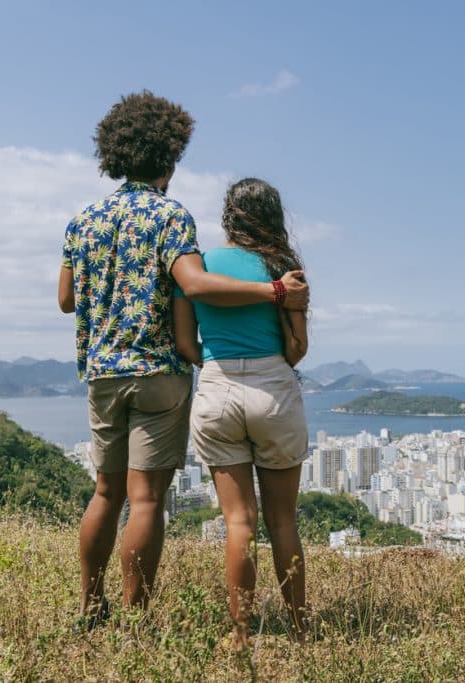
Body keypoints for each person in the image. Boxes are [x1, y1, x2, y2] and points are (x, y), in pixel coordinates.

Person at [58, 92, 308, 629]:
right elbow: (192, 284)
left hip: (103, 368)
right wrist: (272, 292)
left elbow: (66, 298)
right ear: (169, 159)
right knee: (145, 499)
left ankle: (88, 604)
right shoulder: (171, 216)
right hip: (159, 371)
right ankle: (134, 616)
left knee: (106, 490)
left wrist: (108, 290)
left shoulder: (83, 220)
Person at [173, 178, 310, 647]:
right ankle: (300, 627)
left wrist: (218, 365)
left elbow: (185, 342)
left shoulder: (200, 265)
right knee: (283, 521)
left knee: (238, 522)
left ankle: (239, 634)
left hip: (217, 388)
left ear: (229, 215)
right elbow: (298, 351)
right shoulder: (284, 268)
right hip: (273, 388)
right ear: (273, 215)